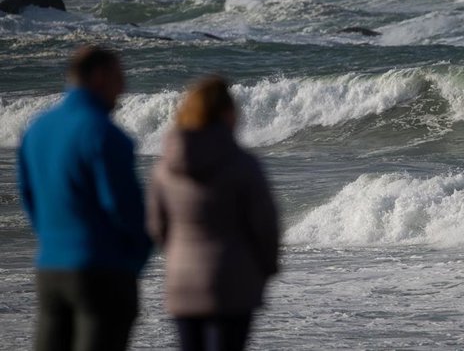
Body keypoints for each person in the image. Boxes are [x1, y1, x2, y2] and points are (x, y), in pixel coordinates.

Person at [17, 46, 151, 351]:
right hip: (101, 271)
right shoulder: (105, 134)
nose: (124, 87)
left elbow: (29, 196)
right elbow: (125, 209)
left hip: (50, 271)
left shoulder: (36, 129)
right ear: (100, 77)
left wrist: (54, 242)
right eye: (120, 77)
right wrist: (134, 260)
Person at [147, 76, 279, 351]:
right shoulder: (243, 165)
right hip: (232, 282)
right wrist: (266, 268)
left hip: (182, 283)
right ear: (225, 113)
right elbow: (265, 226)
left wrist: (181, 256)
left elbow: (157, 227)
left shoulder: (164, 168)